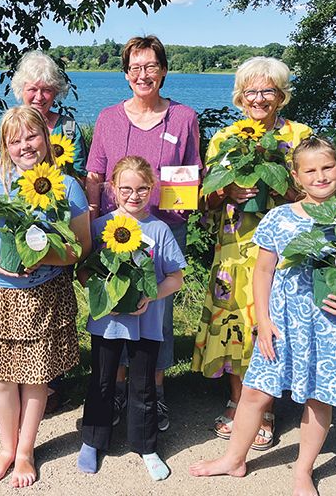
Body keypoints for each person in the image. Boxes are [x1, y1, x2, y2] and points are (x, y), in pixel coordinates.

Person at [189, 136, 336, 496]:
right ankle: (234, 458)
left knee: (318, 397)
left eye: (327, 167)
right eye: (310, 170)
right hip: (283, 325)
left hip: (334, 327)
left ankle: (303, 470)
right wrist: (262, 321)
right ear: (296, 177)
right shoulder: (279, 218)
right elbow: (262, 272)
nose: (320, 176)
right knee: (254, 392)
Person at [0, 106, 91, 488]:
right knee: (0, 378)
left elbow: (80, 247)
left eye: (31, 136)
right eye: (14, 140)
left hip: (44, 293)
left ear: (46, 139)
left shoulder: (67, 186)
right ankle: (6, 447)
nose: (24, 146)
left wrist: (44, 257)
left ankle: (26, 450)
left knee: (36, 377)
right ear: (4, 145)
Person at [191, 56, 312, 450]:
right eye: (251, 91)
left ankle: (266, 408)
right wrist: (226, 191)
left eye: (268, 91)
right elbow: (204, 197)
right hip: (235, 245)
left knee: (271, 319)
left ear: (281, 95)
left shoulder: (298, 136)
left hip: (283, 247)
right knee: (234, 321)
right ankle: (238, 399)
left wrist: (281, 189)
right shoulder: (226, 139)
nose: (259, 99)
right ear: (240, 97)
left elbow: (316, 193)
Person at [85, 35, 201, 432]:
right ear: (125, 74)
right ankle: (118, 389)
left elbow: (191, 173)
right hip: (115, 231)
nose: (143, 74)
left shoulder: (184, 118)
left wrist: (184, 205)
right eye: (135, 67)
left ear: (164, 70)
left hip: (164, 230)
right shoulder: (107, 118)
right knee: (116, 306)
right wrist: (94, 222)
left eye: (150, 66)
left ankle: (154, 393)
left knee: (157, 313)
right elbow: (95, 174)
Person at [76, 156, 185, 481]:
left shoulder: (160, 229)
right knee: (102, 380)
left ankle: (146, 446)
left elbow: (175, 278)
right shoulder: (100, 226)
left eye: (141, 189)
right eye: (126, 188)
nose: (133, 195)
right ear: (112, 189)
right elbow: (84, 271)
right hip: (107, 321)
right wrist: (102, 293)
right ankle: (92, 441)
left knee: (143, 384)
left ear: (151, 189)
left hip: (147, 322)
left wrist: (150, 295)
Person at [0, 50, 88, 180]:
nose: (39, 97)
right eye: (32, 89)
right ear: (20, 90)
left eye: (47, 90)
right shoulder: (2, 125)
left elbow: (80, 177)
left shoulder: (68, 128)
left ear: (56, 92)